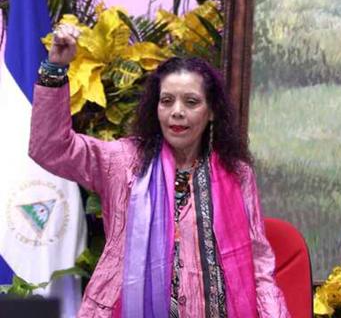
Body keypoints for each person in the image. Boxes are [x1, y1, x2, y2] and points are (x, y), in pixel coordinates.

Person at [29, 23, 290, 318]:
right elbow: (50, 148)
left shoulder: (237, 174)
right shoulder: (123, 161)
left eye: (191, 102)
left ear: (212, 111)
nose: (177, 111)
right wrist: (55, 68)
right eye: (167, 101)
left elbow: (259, 264)